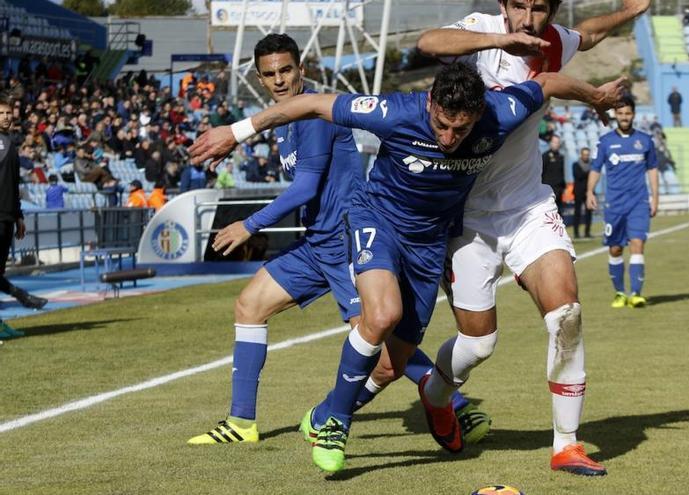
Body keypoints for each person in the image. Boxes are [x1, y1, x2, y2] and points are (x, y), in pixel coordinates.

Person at [190, 61, 620, 473]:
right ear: (431, 103)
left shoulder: (501, 112)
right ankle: (336, 425)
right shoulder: (395, 112)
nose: (450, 137)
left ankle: (324, 412)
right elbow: (312, 103)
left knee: (393, 365)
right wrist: (237, 131)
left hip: (429, 243)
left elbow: (545, 83)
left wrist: (595, 96)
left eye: (462, 129)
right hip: (376, 219)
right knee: (381, 315)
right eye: (442, 125)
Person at [186, 36, 487, 450]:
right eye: (270, 74)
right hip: (318, 243)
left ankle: (455, 404)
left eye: (286, 70)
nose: (279, 80)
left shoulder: (314, 114)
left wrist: (249, 225)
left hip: (349, 238)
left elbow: (306, 186)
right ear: (259, 77)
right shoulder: (284, 123)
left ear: (302, 68)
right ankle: (241, 421)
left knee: (377, 339)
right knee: (250, 305)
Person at [407, 0, 643, 478]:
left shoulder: (554, 40)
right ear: (503, 5)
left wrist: (629, 9)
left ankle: (566, 446)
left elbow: (589, 33)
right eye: (519, 5)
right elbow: (428, 43)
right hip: (468, 218)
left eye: (539, 7)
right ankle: (435, 394)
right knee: (478, 345)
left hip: (528, 208)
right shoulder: (480, 32)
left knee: (567, 315)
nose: (528, 16)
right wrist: (499, 39)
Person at [587, 97, 658, 308]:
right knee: (616, 249)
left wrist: (656, 197)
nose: (624, 117)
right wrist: (590, 191)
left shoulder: (645, 141)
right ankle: (619, 293)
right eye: (620, 114)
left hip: (639, 201)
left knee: (637, 243)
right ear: (615, 115)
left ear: (634, 114)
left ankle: (636, 294)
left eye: (627, 113)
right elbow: (596, 168)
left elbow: (652, 169)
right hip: (615, 204)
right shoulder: (605, 142)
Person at [0, 95, 47, 314]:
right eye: (1, 113)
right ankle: (22, 296)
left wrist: (18, 215)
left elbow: (12, 182)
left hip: (7, 216)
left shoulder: (10, 143)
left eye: (8, 113)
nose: (6, 117)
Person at [542, 134, 566, 216]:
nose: (556, 144)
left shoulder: (561, 157)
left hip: (559, 190)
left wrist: (564, 187)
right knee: (549, 213)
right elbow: (541, 173)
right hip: (548, 191)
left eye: (557, 142)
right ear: (550, 143)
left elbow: (561, 173)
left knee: (558, 213)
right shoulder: (545, 156)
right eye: (554, 142)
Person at [571, 147, 592, 239]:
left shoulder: (592, 165)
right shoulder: (575, 165)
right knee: (577, 212)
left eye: (587, 155)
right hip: (578, 192)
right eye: (584, 154)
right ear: (581, 155)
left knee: (589, 212)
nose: (586, 156)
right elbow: (578, 175)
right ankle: (576, 232)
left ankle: (587, 232)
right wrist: (589, 173)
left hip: (589, 192)